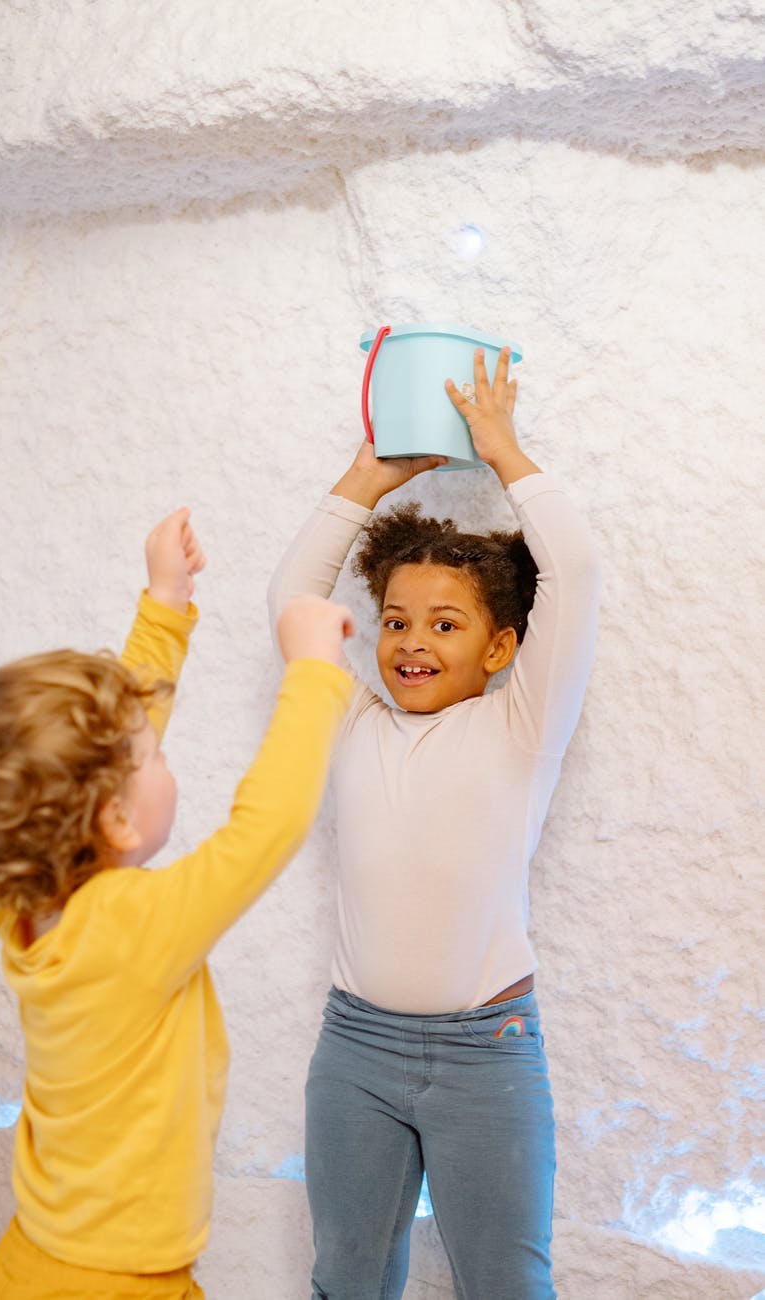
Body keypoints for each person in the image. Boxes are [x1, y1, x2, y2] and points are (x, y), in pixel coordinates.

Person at [0, 506, 354, 1300]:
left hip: (33, 1261)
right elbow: (262, 831)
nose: (160, 746)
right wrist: (311, 671)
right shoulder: (131, 925)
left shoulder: (28, 900)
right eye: (153, 755)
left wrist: (165, 601)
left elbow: (107, 738)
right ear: (117, 818)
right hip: (121, 1286)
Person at [267, 348, 601, 1299]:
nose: (412, 641)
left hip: (484, 1054)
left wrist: (501, 449)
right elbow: (291, 606)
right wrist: (366, 478)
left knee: (505, 1283)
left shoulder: (519, 727)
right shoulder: (348, 722)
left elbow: (572, 571)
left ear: (500, 646)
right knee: (349, 1278)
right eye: (396, 621)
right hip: (354, 1050)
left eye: (445, 624)